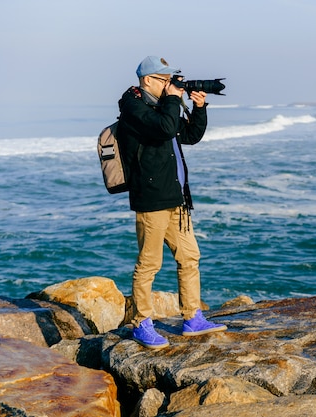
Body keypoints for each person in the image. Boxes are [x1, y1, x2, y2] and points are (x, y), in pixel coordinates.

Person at [116, 56, 226, 349]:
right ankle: (141, 323)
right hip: (151, 200)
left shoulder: (163, 105)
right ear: (148, 80)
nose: (170, 84)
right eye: (164, 79)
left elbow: (188, 135)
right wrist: (174, 99)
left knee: (190, 257)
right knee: (149, 264)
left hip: (176, 199)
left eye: (170, 79)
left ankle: (193, 318)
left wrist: (199, 108)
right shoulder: (133, 106)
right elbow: (165, 128)